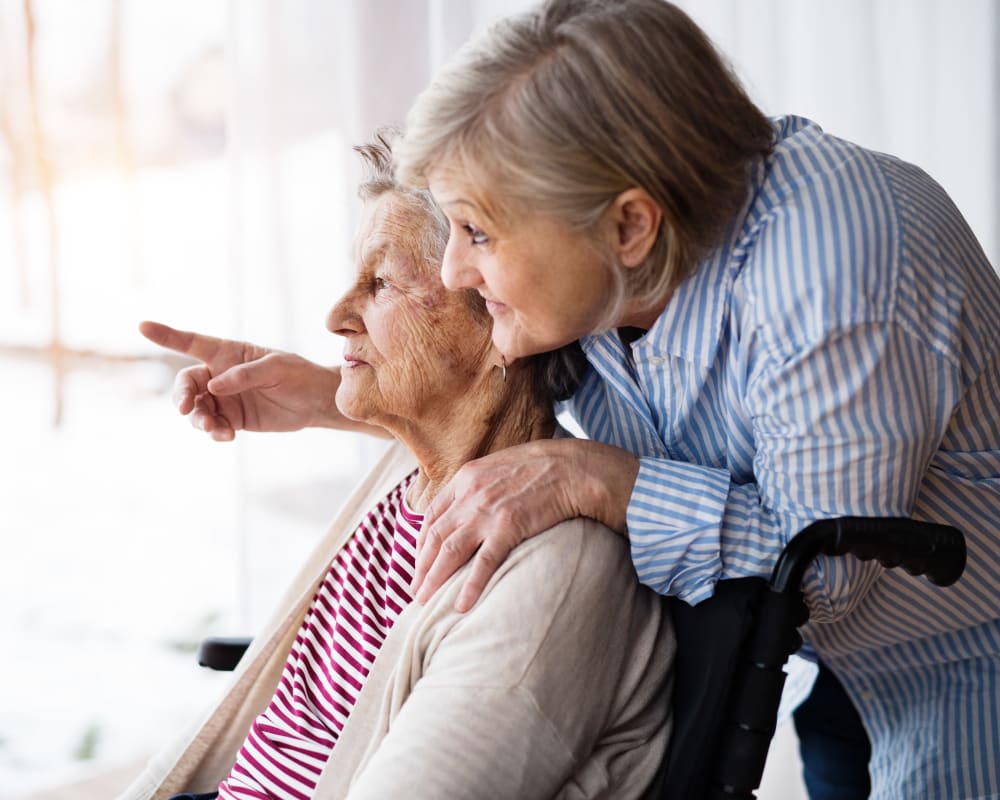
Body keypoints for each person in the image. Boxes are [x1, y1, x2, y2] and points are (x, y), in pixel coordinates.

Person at [152, 2, 999, 798]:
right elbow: (494, 383)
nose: (455, 274)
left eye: (478, 234)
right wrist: (330, 394)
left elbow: (828, 567)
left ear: (630, 225)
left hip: (966, 655)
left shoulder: (832, 267)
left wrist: (598, 479)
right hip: (843, 665)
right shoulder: (600, 271)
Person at [123, 132, 674, 800]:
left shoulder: (556, 570)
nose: (333, 317)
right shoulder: (407, 476)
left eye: (380, 283)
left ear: (501, 316)